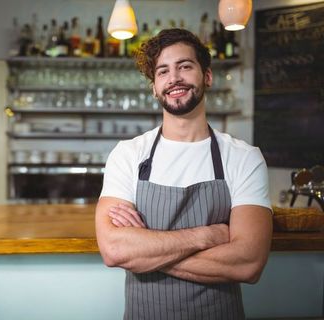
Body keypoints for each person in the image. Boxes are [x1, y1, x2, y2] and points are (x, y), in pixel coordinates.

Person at [95, 28, 273, 320]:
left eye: (185, 66)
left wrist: (144, 250)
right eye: (163, 71)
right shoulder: (128, 154)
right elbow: (115, 250)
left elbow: (248, 264)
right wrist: (208, 235)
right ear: (154, 87)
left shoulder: (244, 158)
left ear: (207, 76)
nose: (174, 78)